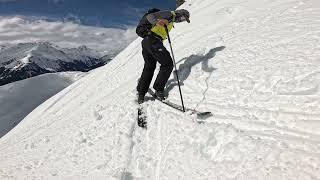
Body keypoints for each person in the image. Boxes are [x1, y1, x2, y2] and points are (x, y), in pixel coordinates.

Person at [136, 8, 190, 104]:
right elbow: (150, 16)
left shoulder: (171, 20)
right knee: (167, 64)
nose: (182, 21)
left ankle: (141, 92)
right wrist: (158, 21)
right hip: (153, 40)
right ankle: (159, 89)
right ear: (180, 14)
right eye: (183, 18)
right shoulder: (169, 14)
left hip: (147, 42)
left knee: (149, 67)